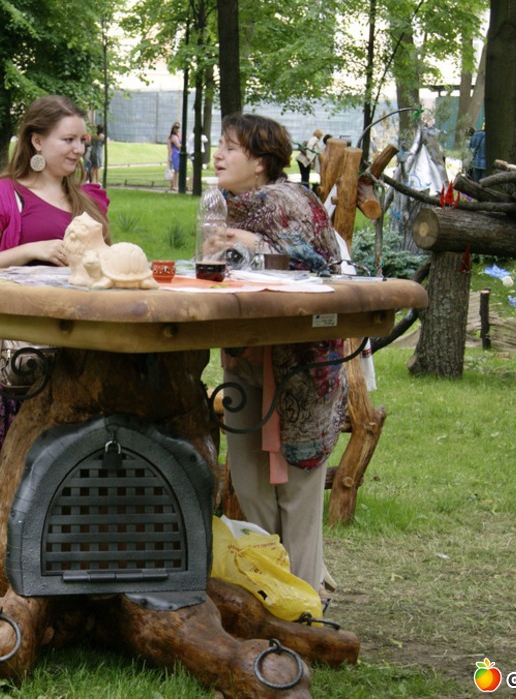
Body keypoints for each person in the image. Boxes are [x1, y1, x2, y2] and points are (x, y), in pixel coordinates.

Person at [202, 113, 347, 598]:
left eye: (230, 148)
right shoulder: (228, 208)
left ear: (261, 161)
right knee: (249, 483)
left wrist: (253, 243)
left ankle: (307, 604)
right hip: (246, 359)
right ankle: (268, 593)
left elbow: (320, 265)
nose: (218, 155)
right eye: (219, 145)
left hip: (302, 368)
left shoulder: (291, 201)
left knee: (299, 495)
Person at [0, 95, 111, 503]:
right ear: (37, 141)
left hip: (85, 344)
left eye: (82, 141)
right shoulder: (3, 195)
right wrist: (30, 250)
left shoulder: (89, 199)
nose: (78, 150)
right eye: (68, 140)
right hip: (27, 347)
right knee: (23, 465)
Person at [167, 122, 182, 190]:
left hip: (177, 153)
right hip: (175, 154)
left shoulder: (177, 136)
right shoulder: (173, 137)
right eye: (176, 128)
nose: (177, 129)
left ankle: (174, 184)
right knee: (176, 170)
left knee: (176, 171)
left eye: (178, 128)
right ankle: (174, 185)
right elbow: (178, 146)